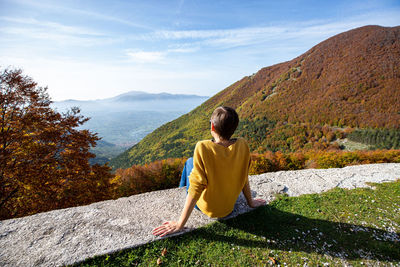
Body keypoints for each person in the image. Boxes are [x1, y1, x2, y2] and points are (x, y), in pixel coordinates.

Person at [152, 106, 266, 237]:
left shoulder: (203, 147)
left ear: (212, 127)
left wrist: (179, 224)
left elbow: (196, 187)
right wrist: (250, 202)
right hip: (229, 207)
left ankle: (181, 189)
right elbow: (243, 175)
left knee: (190, 162)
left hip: (207, 208)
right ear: (234, 128)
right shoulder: (243, 145)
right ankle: (183, 188)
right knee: (192, 162)